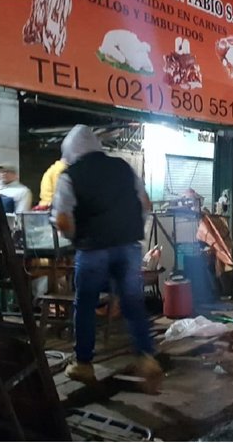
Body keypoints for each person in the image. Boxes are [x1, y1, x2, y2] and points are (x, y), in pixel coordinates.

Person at [52, 124, 162, 390]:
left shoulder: (70, 175)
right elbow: (145, 204)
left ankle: (84, 364)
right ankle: (147, 358)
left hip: (92, 250)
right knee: (133, 304)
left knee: (86, 305)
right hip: (128, 247)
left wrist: (73, 237)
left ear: (71, 150)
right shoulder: (123, 167)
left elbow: (63, 219)